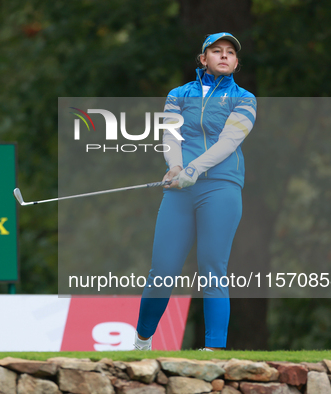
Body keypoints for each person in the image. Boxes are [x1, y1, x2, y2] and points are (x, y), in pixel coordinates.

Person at [134, 32, 257, 351]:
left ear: (236, 62)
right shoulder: (177, 95)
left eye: (231, 52)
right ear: (203, 59)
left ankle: (213, 348)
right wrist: (175, 167)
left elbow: (229, 141)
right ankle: (141, 341)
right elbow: (171, 136)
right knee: (162, 268)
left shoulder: (244, 99)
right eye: (217, 51)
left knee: (213, 266)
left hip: (222, 187)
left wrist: (194, 169)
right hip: (179, 190)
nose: (225, 55)